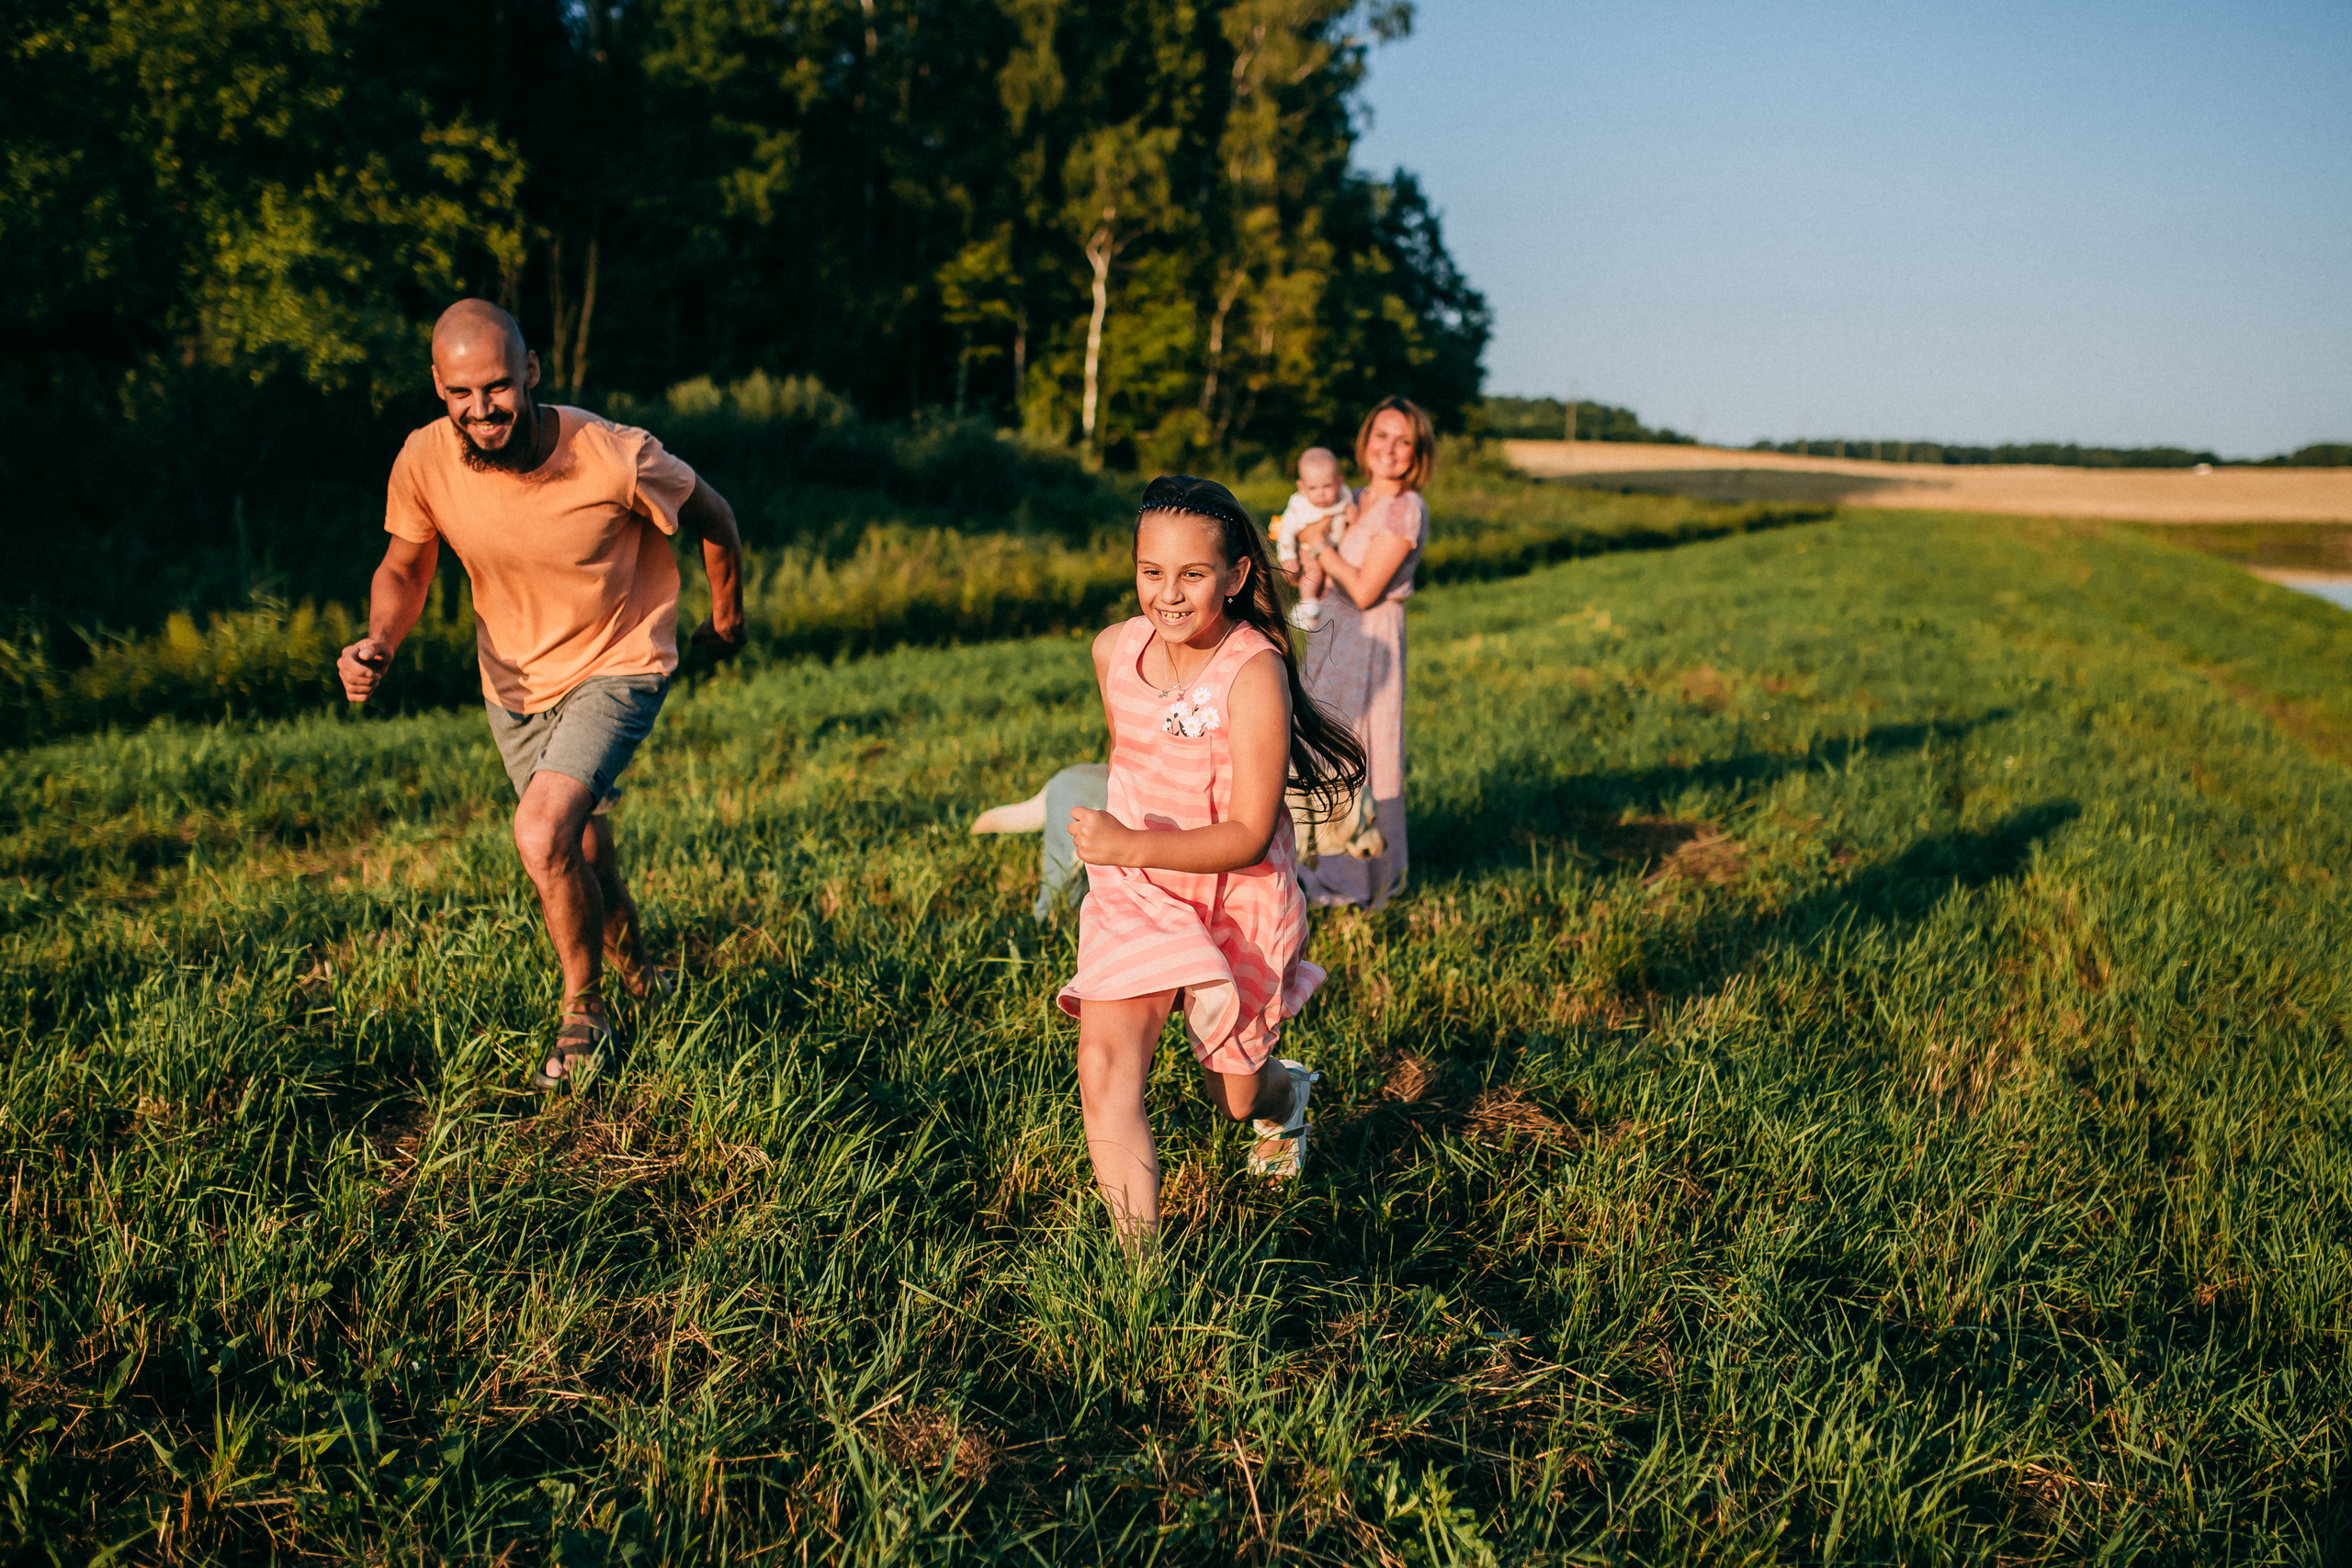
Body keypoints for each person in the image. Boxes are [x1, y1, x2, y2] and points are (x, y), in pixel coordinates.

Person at [335, 299, 746, 1089]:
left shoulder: (612, 455)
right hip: (514, 681)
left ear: (529, 371)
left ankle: (583, 1011)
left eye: (495, 386)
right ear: (437, 385)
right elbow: (405, 567)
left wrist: (725, 619)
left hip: (619, 661)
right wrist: (380, 639)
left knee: (540, 832)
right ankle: (640, 974)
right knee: (582, 844)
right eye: (460, 392)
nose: (480, 409)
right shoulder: (425, 459)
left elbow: (716, 517)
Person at [1057, 476, 1367, 1240]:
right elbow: (1132, 757)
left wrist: (1129, 840)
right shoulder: (1113, 650)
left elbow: (1250, 833)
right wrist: (1125, 855)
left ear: (1235, 576)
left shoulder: (1253, 671)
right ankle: (1140, 1279)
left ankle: (1285, 1099)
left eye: (1193, 574)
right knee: (1104, 1064)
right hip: (1137, 893)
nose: (1168, 593)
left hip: (1236, 897)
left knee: (1235, 1093)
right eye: (1150, 571)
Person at [1296, 396, 1434, 911]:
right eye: (1382, 435)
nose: (1390, 449)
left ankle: (1361, 880)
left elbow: (1364, 589)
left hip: (1371, 638)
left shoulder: (1406, 509)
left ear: (1417, 452)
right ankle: (1315, 866)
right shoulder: (1349, 498)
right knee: (1319, 750)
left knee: (1364, 751)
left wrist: (1319, 545)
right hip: (1331, 637)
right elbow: (1312, 573)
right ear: (1365, 440)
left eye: (1403, 441)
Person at [969, 763, 1110, 922]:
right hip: (1072, 789)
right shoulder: (1069, 786)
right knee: (1058, 880)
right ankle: (1042, 925)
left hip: (1076, 785)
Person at [1273, 446, 1355, 630]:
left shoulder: (1344, 496)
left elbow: (1349, 509)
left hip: (1333, 551)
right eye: (1313, 488)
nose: (1321, 493)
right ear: (1301, 487)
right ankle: (1306, 605)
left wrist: (1352, 513)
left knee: (1329, 582)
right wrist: (1287, 558)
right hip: (1308, 549)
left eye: (1327, 486)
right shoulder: (1300, 505)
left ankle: (1319, 613)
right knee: (1314, 572)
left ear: (1339, 482)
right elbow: (1286, 531)